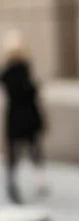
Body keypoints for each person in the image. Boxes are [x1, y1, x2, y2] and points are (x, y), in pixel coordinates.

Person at [1, 29, 48, 204]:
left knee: (18, 152)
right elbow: (31, 92)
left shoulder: (8, 72)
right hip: (26, 116)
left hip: (16, 117)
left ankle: (14, 184)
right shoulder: (22, 70)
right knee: (32, 149)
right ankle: (36, 182)